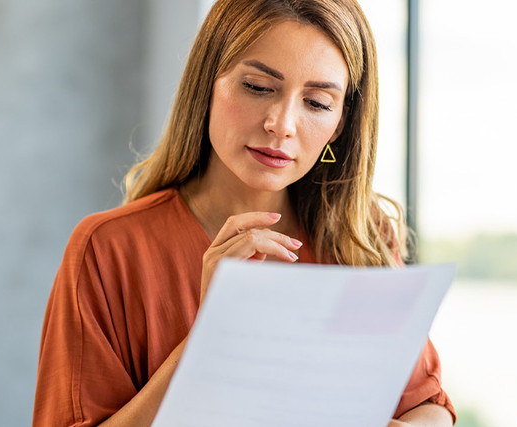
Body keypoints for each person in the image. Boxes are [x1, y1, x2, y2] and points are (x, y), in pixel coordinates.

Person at [32, 0, 456, 425]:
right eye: (257, 86)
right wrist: (212, 336)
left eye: (317, 103)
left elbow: (429, 405)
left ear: (341, 124)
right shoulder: (108, 249)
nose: (282, 123)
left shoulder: (360, 236)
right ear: (207, 84)